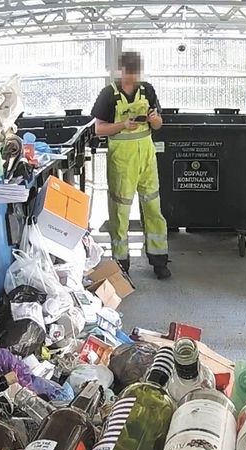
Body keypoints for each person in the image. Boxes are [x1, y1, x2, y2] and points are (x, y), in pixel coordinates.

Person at [90, 51, 171, 280]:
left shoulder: (148, 90)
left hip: (146, 157)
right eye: (129, 73)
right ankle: (121, 265)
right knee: (120, 212)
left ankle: (159, 261)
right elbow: (98, 129)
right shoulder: (108, 95)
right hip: (122, 161)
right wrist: (123, 124)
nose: (132, 79)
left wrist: (155, 119)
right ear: (120, 71)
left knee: (154, 209)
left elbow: (158, 125)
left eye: (135, 73)